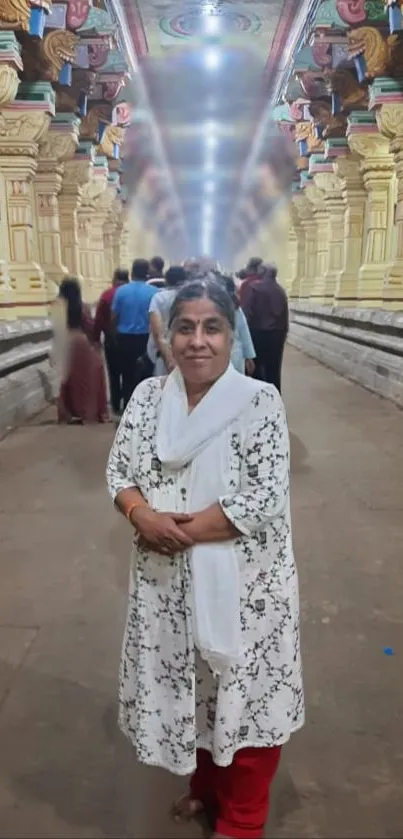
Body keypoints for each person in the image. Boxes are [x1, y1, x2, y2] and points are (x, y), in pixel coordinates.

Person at [106, 278, 304, 839]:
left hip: (245, 588)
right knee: (193, 693)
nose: (198, 342)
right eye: (185, 328)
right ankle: (207, 789)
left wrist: (171, 528)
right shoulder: (148, 398)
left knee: (245, 696)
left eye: (212, 328)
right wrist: (139, 513)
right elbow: (120, 471)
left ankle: (243, 820)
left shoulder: (259, 401)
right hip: (166, 585)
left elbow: (263, 497)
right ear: (167, 337)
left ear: (230, 334)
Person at [56, 277, 108, 424]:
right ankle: (86, 411)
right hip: (82, 342)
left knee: (68, 379)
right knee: (85, 380)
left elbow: (58, 329)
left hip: (67, 342)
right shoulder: (82, 306)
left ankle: (69, 411)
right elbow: (89, 326)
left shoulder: (58, 307)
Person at [112, 259, 157, 408]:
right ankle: (145, 407)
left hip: (124, 339)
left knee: (127, 374)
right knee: (145, 374)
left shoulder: (121, 291)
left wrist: (113, 336)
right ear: (148, 273)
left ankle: (128, 406)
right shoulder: (154, 293)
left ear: (132, 272)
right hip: (145, 339)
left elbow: (113, 317)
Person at [242, 263, 289, 394]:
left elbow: (247, 312)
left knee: (257, 369)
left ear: (262, 272)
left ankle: (260, 396)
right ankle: (275, 396)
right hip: (277, 335)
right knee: (274, 369)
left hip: (257, 333)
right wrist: (284, 333)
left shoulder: (255, 288)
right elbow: (285, 316)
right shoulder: (281, 291)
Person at [93, 268, 129, 418]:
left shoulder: (107, 295)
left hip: (111, 338)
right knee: (129, 372)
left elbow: (100, 318)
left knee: (114, 373)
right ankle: (128, 402)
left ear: (114, 278)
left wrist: (95, 337)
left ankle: (115, 403)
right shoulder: (130, 293)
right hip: (131, 338)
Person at [147, 265, 187, 375]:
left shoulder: (159, 298)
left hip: (163, 354)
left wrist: (169, 360)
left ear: (167, 280)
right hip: (186, 351)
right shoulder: (190, 297)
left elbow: (157, 334)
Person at [222, 275, 256, 375]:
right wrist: (249, 356)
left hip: (218, 354)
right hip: (236, 353)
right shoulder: (236, 307)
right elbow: (244, 332)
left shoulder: (212, 307)